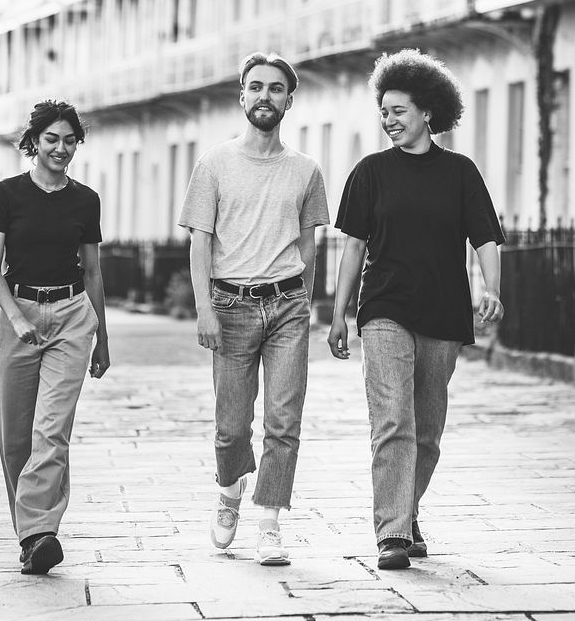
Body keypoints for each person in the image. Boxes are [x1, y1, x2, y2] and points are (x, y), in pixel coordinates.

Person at [326, 49, 505, 570]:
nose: (389, 120)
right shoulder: (371, 172)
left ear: (427, 111)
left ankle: (407, 512)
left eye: (399, 110)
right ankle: (391, 533)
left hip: (444, 313)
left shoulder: (460, 172)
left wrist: (492, 288)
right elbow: (353, 248)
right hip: (384, 307)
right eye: (384, 111)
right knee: (393, 422)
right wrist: (339, 314)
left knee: (426, 431)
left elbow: (487, 238)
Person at [179, 51, 330, 565]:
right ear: (242, 96)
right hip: (231, 304)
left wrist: (305, 298)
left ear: (290, 99)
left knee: (284, 422)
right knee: (231, 426)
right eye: (256, 86)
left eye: (275, 88)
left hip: (288, 304)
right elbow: (200, 243)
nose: (265, 95)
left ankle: (269, 520)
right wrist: (204, 308)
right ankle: (228, 492)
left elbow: (310, 245)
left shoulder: (306, 170)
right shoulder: (215, 164)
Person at [0, 100, 110, 575]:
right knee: (16, 436)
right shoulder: (6, 194)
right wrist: (15, 318)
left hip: (73, 315)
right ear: (33, 142)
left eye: (69, 140)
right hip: (18, 315)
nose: (60, 148)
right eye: (51, 139)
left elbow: (93, 271)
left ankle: (40, 531)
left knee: (51, 430)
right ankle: (31, 535)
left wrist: (103, 336)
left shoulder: (85, 200)